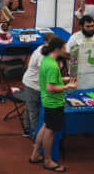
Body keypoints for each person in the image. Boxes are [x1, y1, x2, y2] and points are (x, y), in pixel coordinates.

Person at [29, 36, 76, 172]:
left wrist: (66, 79)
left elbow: (52, 80)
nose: (66, 51)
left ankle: (35, 154)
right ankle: (48, 161)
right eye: (64, 48)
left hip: (47, 101)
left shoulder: (46, 60)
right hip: (53, 103)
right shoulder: (53, 65)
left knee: (45, 127)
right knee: (50, 132)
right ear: (57, 49)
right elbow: (51, 88)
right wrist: (68, 87)